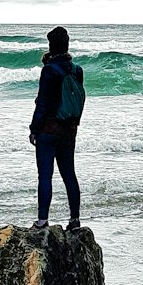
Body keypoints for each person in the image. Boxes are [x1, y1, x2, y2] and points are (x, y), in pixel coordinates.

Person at [29, 25, 83, 230]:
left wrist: (34, 129)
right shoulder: (77, 70)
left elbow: (43, 103)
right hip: (69, 130)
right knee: (69, 174)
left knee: (45, 175)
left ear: (51, 46)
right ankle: (75, 220)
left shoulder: (49, 70)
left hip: (49, 130)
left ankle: (42, 221)